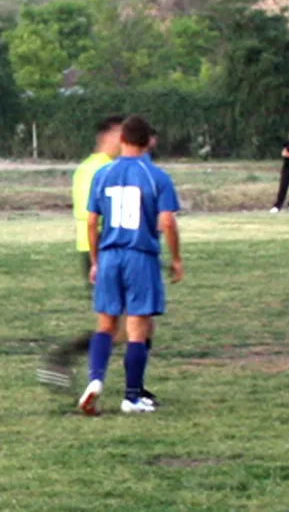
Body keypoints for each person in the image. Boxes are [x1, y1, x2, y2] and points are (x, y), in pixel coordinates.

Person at [78, 116, 183, 416]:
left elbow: (91, 221)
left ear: (122, 138)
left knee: (106, 324)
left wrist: (96, 260)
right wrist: (176, 259)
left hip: (109, 254)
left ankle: (95, 380)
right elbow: (166, 221)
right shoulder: (157, 177)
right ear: (149, 141)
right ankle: (132, 396)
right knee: (137, 327)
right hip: (140, 255)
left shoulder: (103, 174)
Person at [37, 116, 126, 393]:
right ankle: (61, 360)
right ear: (108, 136)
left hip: (101, 252)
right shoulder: (100, 169)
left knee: (129, 326)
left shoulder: (93, 167)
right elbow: (95, 217)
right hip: (100, 252)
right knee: (122, 328)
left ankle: (130, 388)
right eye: (122, 135)